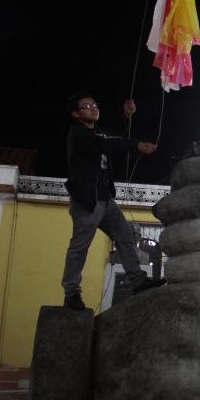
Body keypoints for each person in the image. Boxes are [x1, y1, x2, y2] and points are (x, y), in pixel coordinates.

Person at [61, 92, 161, 310]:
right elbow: (110, 143)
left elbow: (114, 135)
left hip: (105, 200)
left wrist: (125, 116)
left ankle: (137, 281)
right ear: (76, 114)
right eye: (86, 106)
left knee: (125, 235)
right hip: (87, 202)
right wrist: (136, 145)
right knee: (79, 247)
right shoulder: (79, 134)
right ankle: (71, 293)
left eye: (95, 104)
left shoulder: (98, 133)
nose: (93, 107)